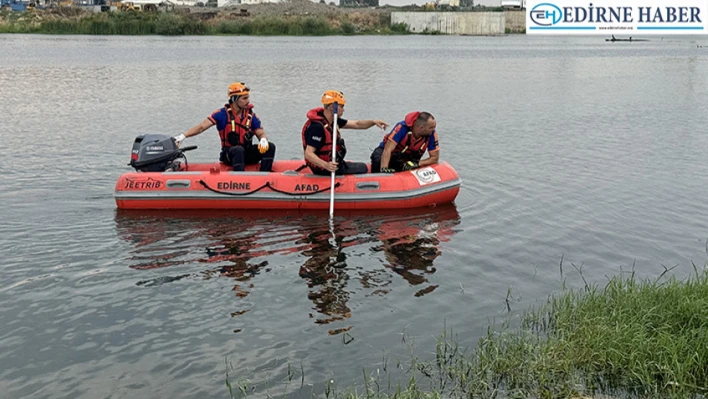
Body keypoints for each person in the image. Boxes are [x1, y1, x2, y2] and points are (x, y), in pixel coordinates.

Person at [173, 82, 276, 172]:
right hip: (230, 154)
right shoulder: (221, 114)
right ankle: (239, 180)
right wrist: (183, 136)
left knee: (270, 147)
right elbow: (201, 127)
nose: (248, 101)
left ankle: (265, 176)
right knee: (238, 150)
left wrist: (263, 139)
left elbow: (260, 132)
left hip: (246, 152)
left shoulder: (250, 116)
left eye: (248, 97)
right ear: (235, 99)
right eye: (244, 98)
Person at [301, 90, 388, 176]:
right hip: (324, 168)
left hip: (333, 164)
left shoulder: (333, 121)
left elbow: (356, 124)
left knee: (360, 166)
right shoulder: (317, 128)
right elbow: (309, 154)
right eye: (341, 106)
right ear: (332, 107)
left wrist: (373, 122)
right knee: (364, 168)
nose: (343, 110)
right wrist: (326, 165)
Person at [370, 111, 439, 173]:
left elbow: (434, 158)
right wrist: (384, 169)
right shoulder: (402, 128)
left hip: (408, 159)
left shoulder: (431, 134)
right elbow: (387, 150)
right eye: (431, 128)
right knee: (377, 159)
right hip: (390, 155)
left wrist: (418, 163)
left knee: (408, 166)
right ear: (421, 128)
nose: (433, 130)